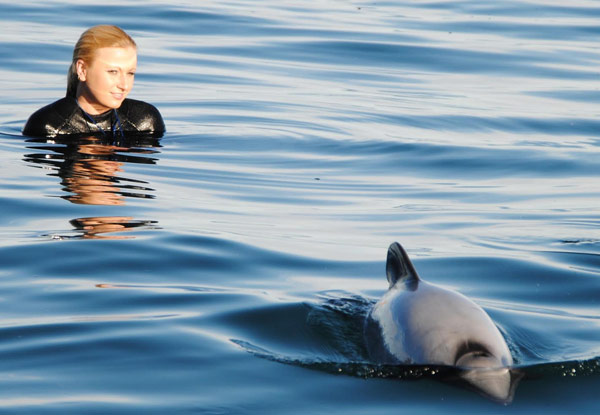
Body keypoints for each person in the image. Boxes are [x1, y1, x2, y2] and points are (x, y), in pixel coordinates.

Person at [23, 25, 165, 138]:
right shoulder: (49, 125)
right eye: (113, 72)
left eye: (130, 73)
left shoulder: (144, 121)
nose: (124, 85)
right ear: (82, 70)